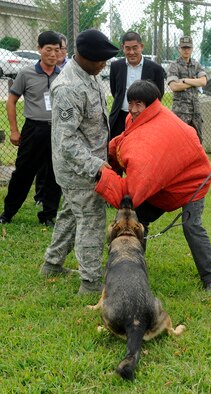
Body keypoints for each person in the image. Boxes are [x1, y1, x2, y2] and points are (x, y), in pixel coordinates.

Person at [95, 80, 211, 292]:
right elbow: (125, 141)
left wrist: (103, 175)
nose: (133, 109)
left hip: (192, 185)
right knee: (137, 218)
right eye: (131, 103)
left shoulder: (158, 133)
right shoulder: (135, 118)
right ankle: (134, 267)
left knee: (192, 227)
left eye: (139, 104)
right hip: (162, 184)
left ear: (152, 104)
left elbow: (131, 194)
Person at [40, 29, 119, 295]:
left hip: (89, 164)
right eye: (101, 60)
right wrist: (96, 166)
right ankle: (90, 283)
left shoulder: (90, 75)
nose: (104, 64)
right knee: (91, 219)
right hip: (79, 169)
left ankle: (52, 263)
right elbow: (67, 141)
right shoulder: (68, 87)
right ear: (84, 57)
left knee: (70, 215)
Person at [0, 31, 62, 227]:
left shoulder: (64, 76)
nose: (53, 54)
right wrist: (14, 130)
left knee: (54, 174)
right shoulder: (26, 73)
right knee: (23, 173)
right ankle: (8, 213)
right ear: (39, 50)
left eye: (57, 50)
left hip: (58, 131)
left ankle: (48, 214)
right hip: (33, 130)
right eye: (48, 49)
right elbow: (11, 102)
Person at [34, 32, 69, 206]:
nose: (57, 53)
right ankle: (39, 196)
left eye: (60, 49)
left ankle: (50, 204)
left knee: (55, 166)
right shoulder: (32, 72)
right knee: (37, 165)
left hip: (59, 126)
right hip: (38, 126)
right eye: (52, 49)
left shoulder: (66, 74)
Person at [109, 31, 165, 140]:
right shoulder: (116, 66)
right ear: (123, 48)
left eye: (135, 48)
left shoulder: (155, 69)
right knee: (116, 148)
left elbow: (159, 94)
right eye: (128, 48)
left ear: (141, 47)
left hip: (144, 118)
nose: (131, 52)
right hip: (120, 117)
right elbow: (115, 90)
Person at [167, 36, 207, 143]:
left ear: (192, 49)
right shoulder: (174, 65)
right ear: (179, 49)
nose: (186, 50)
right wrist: (194, 82)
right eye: (183, 48)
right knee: (178, 142)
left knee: (197, 141)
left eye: (188, 48)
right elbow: (174, 86)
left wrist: (184, 80)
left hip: (195, 111)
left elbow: (203, 81)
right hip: (180, 112)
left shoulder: (196, 64)